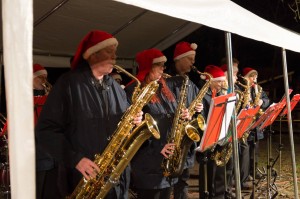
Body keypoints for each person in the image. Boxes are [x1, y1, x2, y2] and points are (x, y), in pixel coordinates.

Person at [35, 30, 143, 199]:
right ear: (92, 55)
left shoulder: (115, 87)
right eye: (109, 52)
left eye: (115, 52)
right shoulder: (68, 84)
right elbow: (46, 131)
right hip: (83, 178)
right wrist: (76, 160)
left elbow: (123, 122)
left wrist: (135, 120)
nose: (115, 57)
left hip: (118, 178)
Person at [125, 48, 202, 199]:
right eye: (159, 65)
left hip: (167, 160)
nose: (163, 69)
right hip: (149, 164)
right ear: (148, 67)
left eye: (163, 65)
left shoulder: (163, 87)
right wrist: (158, 148)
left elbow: (170, 114)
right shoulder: (133, 91)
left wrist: (183, 115)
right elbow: (135, 131)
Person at [170, 41, 199, 199]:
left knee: (183, 181)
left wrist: (196, 111)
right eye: (189, 58)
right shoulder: (166, 80)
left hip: (185, 140)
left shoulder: (191, 83)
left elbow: (194, 109)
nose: (193, 62)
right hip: (170, 138)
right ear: (179, 59)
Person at [197, 65, 228, 199]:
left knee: (220, 174)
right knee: (208, 175)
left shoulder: (221, 94)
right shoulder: (203, 95)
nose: (222, 84)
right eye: (219, 81)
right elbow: (201, 120)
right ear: (210, 80)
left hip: (220, 138)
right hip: (208, 139)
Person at [242, 67, 270, 180]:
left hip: (256, 124)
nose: (254, 79)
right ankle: (245, 174)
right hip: (247, 124)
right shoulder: (244, 88)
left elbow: (267, 100)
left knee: (255, 150)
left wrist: (262, 101)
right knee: (246, 151)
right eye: (252, 76)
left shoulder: (258, 88)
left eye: (256, 76)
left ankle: (254, 171)